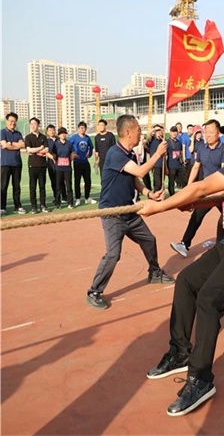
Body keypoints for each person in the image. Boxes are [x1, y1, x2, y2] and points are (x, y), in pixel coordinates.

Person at [141, 110, 224, 417]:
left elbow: (203, 186)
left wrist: (159, 207)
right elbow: (219, 195)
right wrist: (193, 202)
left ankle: (201, 378)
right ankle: (179, 352)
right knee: (188, 281)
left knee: (208, 298)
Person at [87, 115, 174, 310]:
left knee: (149, 240)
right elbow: (141, 172)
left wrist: (149, 193)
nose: (140, 134)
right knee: (113, 254)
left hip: (129, 211)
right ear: (128, 133)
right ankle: (94, 291)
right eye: (137, 130)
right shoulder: (115, 153)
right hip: (112, 214)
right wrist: (158, 154)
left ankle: (154, 272)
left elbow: (136, 180)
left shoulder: (130, 154)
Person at [170, 119, 224, 258]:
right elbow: (196, 167)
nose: (207, 135)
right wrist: (189, 187)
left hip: (222, 191)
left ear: (218, 132)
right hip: (206, 190)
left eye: (211, 132)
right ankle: (184, 244)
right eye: (205, 132)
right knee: (196, 216)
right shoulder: (202, 147)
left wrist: (220, 192)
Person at [0, 112, 26, 215]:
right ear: (7, 121)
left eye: (14, 121)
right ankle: (2, 207)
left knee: (16, 186)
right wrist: (15, 145)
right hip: (5, 163)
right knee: (3, 186)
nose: (13, 123)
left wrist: (10, 143)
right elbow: (4, 145)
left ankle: (17, 206)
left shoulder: (18, 133)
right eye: (11, 121)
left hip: (17, 163)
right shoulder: (2, 132)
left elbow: (23, 144)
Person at [24, 117, 49, 213]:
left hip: (42, 165)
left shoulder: (43, 137)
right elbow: (29, 149)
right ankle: (34, 206)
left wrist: (36, 150)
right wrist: (40, 147)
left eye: (35, 124)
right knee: (32, 187)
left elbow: (46, 150)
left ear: (38, 125)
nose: (33, 126)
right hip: (32, 165)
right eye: (31, 124)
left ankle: (43, 205)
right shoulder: (28, 137)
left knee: (42, 186)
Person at [69, 121, 95, 206]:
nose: (82, 129)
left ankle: (87, 197)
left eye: (83, 128)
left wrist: (90, 154)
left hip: (85, 162)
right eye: (80, 128)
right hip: (77, 162)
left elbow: (91, 147)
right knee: (77, 181)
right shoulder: (74, 137)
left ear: (86, 129)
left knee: (88, 181)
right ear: (78, 129)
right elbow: (67, 145)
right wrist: (73, 154)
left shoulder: (87, 138)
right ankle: (78, 198)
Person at [51, 127, 75, 209]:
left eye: (64, 133)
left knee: (69, 185)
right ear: (59, 135)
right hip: (59, 168)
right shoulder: (56, 143)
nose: (63, 135)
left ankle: (70, 202)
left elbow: (72, 153)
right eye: (61, 133)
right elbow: (53, 154)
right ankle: (58, 203)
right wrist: (55, 160)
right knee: (58, 186)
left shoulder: (69, 143)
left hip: (67, 168)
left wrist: (69, 161)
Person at [167, 126, 185, 196]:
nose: (174, 133)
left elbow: (180, 151)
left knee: (183, 181)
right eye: (173, 132)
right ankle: (172, 195)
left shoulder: (178, 142)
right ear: (170, 133)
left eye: (175, 132)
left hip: (179, 165)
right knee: (171, 182)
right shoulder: (167, 142)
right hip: (171, 165)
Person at [149, 125, 166, 192]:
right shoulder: (152, 140)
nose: (159, 132)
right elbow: (148, 135)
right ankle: (155, 197)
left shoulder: (162, 141)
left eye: (159, 131)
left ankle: (160, 197)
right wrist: (154, 129)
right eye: (157, 131)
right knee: (157, 183)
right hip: (155, 164)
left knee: (161, 183)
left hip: (162, 164)